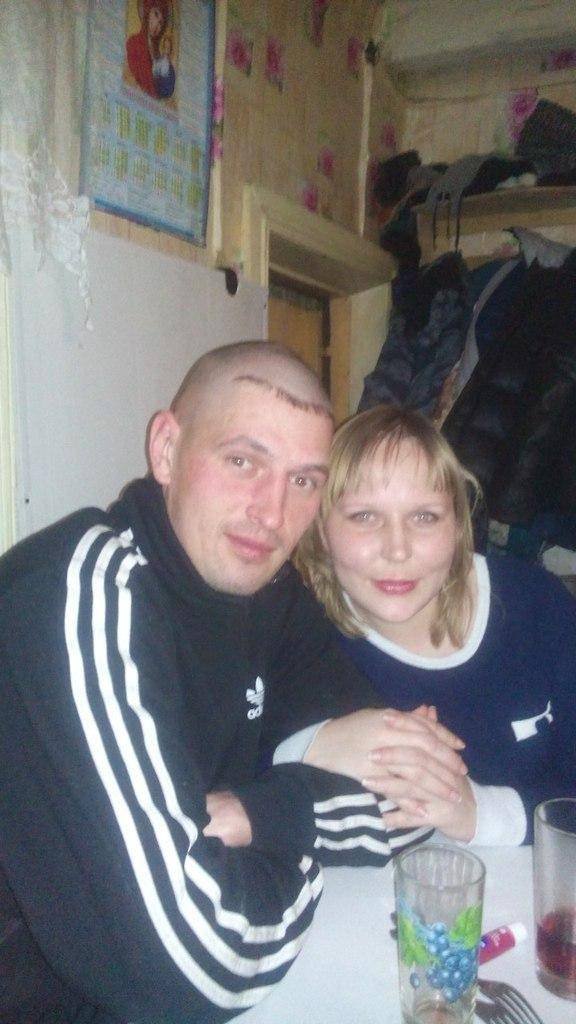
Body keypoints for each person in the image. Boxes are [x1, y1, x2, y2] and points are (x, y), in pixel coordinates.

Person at [0, 342, 466, 1023]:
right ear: (167, 450)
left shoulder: (272, 595)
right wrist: (302, 833)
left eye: (303, 480)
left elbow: (418, 798)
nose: (270, 512)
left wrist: (258, 814)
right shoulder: (81, 596)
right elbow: (195, 967)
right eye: (243, 461)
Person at [295, 403, 576, 848]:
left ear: (458, 525)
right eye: (364, 516)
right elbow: (229, 778)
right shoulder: (300, 636)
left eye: (424, 516)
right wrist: (316, 743)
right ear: (321, 530)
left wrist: (478, 812)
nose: (397, 549)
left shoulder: (537, 606)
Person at [126, 0, 175, 100]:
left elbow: (167, 89)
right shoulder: (134, 42)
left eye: (161, 23)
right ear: (147, 11)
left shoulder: (158, 55)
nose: (157, 25)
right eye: (156, 14)